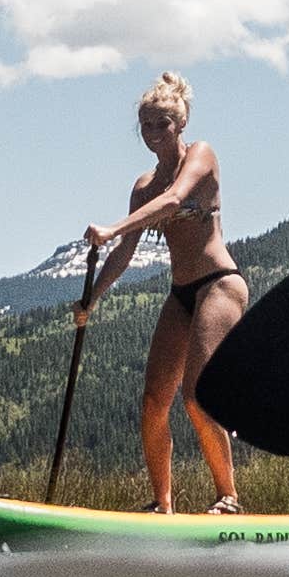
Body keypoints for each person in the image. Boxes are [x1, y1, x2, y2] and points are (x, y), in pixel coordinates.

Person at [82, 72, 248, 514]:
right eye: (146, 125)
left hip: (219, 285)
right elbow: (123, 253)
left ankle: (228, 497)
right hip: (180, 294)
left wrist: (113, 226)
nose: (154, 133)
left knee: (196, 396)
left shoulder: (202, 155)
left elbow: (175, 200)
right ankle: (162, 504)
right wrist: (91, 300)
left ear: (181, 124)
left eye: (162, 124)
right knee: (154, 402)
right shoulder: (142, 188)